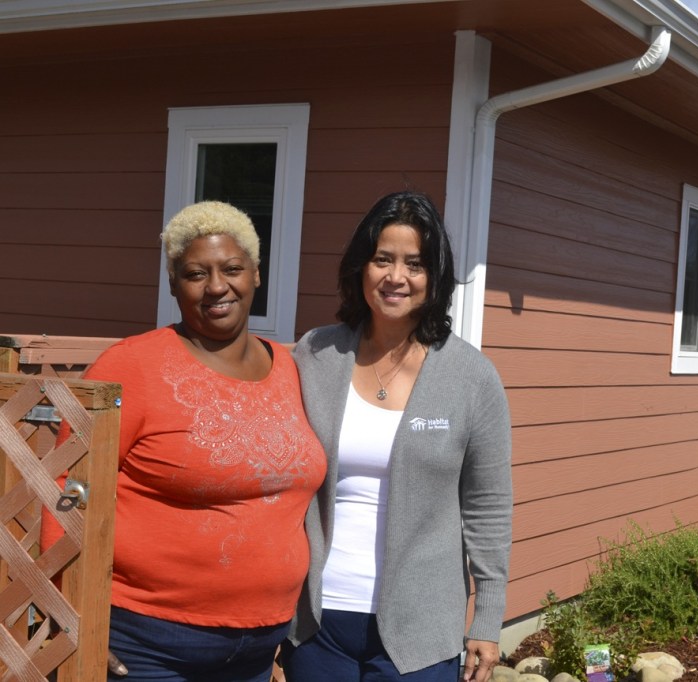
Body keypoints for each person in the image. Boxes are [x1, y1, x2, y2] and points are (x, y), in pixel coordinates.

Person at [43, 200, 327, 681]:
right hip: (148, 643)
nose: (217, 286)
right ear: (174, 283)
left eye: (232, 269)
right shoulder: (131, 365)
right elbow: (67, 486)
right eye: (197, 273)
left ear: (256, 275)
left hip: (260, 646)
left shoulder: (294, 369)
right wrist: (71, 612)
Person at [282, 191, 513, 682]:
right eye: (383, 259)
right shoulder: (315, 355)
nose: (396, 277)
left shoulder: (471, 376)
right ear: (360, 268)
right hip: (318, 622)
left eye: (415, 264)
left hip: (421, 629)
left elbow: (487, 507)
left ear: (435, 277)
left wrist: (487, 620)